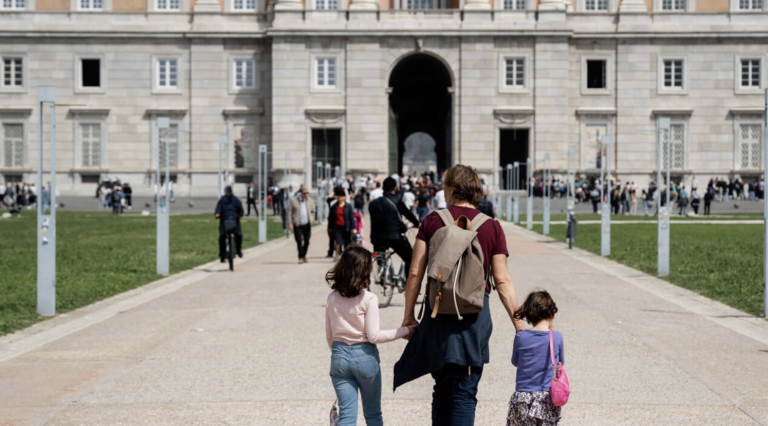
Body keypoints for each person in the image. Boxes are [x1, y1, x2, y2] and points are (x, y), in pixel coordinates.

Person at [394, 164, 526, 426]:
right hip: (473, 320)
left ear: (452, 189)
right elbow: (502, 280)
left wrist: (409, 316)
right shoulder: (491, 227)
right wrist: (520, 326)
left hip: (436, 316)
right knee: (464, 392)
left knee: (441, 389)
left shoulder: (432, 221)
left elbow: (415, 274)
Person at [325, 247, 416, 426]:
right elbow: (374, 336)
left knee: (347, 417)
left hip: (339, 356)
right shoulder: (369, 298)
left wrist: (340, 354)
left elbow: (330, 336)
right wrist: (406, 331)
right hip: (365, 357)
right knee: (373, 414)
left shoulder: (332, 298)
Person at [508, 290, 564, 426]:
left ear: (529, 316)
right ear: (552, 314)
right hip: (546, 398)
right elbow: (560, 363)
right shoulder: (556, 337)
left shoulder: (520, 337)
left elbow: (515, 361)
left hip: (522, 397)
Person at [368, 177, 420, 278]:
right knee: (409, 256)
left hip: (376, 238)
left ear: (383, 188)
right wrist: (417, 224)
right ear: (395, 188)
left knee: (380, 253)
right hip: (394, 237)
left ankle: (381, 270)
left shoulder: (373, 203)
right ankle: (408, 283)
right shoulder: (397, 201)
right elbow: (408, 214)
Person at [214, 185, 244, 262]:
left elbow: (241, 210)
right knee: (222, 237)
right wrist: (217, 214)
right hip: (225, 220)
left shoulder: (235, 200)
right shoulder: (222, 200)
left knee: (239, 235)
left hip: (234, 220)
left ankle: (238, 250)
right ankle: (223, 255)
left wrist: (240, 214)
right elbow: (218, 209)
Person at [288, 187, 316, 264]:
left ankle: (304, 255)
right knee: (299, 241)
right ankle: (300, 256)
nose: (305, 194)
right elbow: (289, 213)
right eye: (304, 193)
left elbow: (313, 211)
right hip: (298, 224)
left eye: (307, 193)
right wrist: (290, 223)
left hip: (307, 224)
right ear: (300, 193)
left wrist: (312, 219)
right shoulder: (294, 201)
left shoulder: (310, 201)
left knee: (307, 241)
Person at [328, 186, 354, 260]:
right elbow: (331, 217)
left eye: (341, 197)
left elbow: (351, 216)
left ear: (343, 197)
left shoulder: (348, 206)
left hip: (346, 226)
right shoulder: (334, 206)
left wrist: (353, 227)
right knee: (338, 241)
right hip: (337, 226)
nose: (340, 198)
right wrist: (330, 227)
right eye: (338, 197)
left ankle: (345, 256)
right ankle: (337, 255)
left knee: (346, 242)